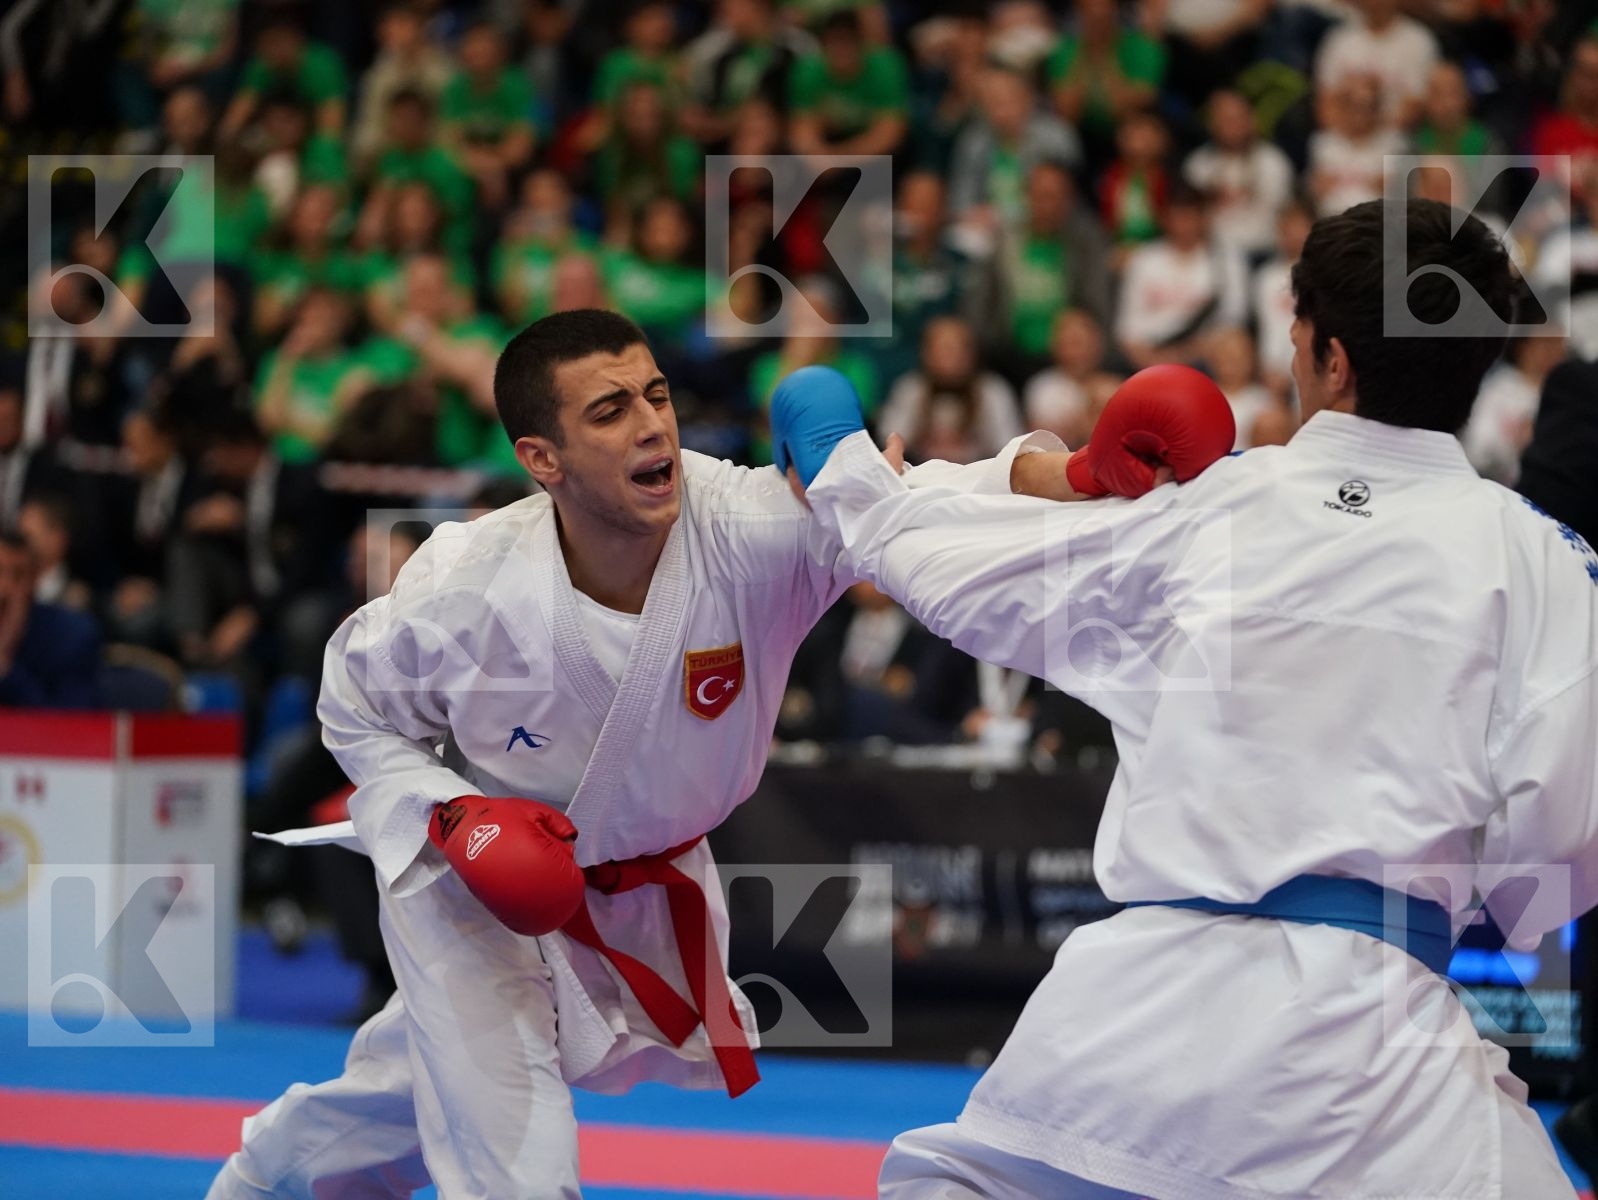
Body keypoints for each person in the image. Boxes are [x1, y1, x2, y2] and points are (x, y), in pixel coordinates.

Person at [207, 308, 1187, 1199]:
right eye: (609, 411)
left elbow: (921, 502)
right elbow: (353, 708)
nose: (650, 425)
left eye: (656, 394)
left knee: (403, 1090)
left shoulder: (750, 527)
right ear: (541, 459)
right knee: (511, 1144)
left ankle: (264, 1183)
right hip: (473, 886)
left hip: (635, 878)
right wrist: (450, 814)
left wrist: (1079, 478)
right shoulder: (465, 586)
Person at [771, 197, 1594, 1197]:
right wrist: (1480, 912)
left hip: (1133, 1017)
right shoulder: (1539, 561)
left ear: (1329, 358)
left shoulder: (1217, 505)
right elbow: (1561, 842)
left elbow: (969, 581)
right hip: (1376, 1039)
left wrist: (844, 475)